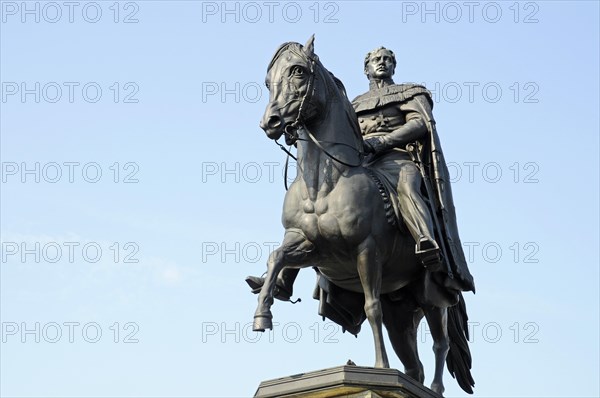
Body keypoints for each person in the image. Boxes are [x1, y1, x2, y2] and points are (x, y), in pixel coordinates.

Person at [246, 46, 474, 299]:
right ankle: (284, 276)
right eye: (376, 59)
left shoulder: (409, 92)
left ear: (394, 66)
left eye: (387, 59)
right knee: (315, 199)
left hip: (395, 158)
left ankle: (425, 240)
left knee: (407, 186)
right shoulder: (354, 103)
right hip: (360, 161)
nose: (382, 62)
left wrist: (383, 142)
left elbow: (420, 123)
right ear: (366, 69)